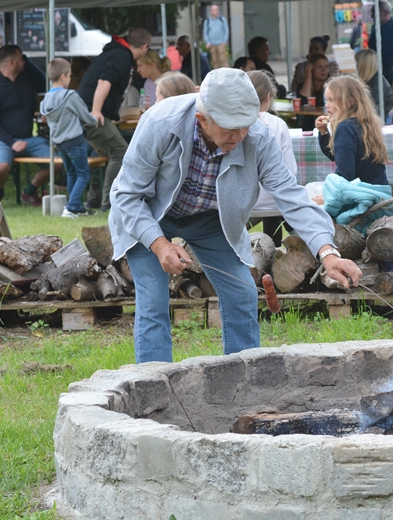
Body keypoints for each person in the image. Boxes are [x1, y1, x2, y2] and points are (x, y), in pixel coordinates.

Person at [109, 68, 362, 363]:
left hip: (210, 219)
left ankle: (246, 386)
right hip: (149, 214)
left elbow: (291, 196)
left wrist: (327, 252)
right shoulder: (160, 122)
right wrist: (159, 244)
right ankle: (154, 392)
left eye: (246, 126)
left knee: (242, 293)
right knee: (153, 301)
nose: (241, 136)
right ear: (202, 120)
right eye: (231, 129)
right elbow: (126, 195)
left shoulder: (257, 136)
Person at [77, 28, 151, 213]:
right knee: (121, 153)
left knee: (102, 154)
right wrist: (96, 110)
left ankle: (93, 200)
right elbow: (104, 81)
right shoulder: (121, 56)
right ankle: (108, 203)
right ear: (145, 47)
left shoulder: (114, 52)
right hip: (91, 112)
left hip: (87, 110)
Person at [0, 45, 49, 205]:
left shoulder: (27, 85)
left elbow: (33, 110)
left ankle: (29, 192)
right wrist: (12, 142)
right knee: (0, 167)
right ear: (12, 62)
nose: (24, 62)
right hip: (1, 140)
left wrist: (42, 115)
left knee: (57, 162)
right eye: (21, 59)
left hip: (27, 139)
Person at [40, 58, 98, 218]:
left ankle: (77, 207)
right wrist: (95, 119)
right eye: (70, 75)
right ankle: (72, 207)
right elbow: (86, 117)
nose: (71, 79)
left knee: (72, 173)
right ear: (64, 77)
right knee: (83, 174)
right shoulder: (70, 96)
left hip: (59, 143)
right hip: (74, 140)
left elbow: (45, 116)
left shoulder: (45, 99)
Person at [248, 70, 298, 247]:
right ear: (269, 97)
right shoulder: (277, 124)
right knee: (279, 197)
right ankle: (274, 251)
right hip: (273, 200)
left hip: (244, 202)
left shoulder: (233, 123)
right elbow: (290, 171)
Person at [315, 75, 388, 186]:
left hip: (361, 195)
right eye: (326, 100)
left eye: (331, 100)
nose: (327, 105)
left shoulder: (345, 128)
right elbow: (336, 155)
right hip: (378, 190)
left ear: (349, 102)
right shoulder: (365, 123)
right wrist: (324, 133)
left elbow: (345, 174)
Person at [367, 1, 393, 86]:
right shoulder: (376, 28)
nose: (372, 15)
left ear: (385, 13)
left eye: (375, 12)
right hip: (375, 70)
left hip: (390, 73)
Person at [355, 49, 393, 118]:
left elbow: (372, 110)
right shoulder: (372, 81)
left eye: (357, 63)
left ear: (363, 66)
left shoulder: (378, 85)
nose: (356, 67)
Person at [296, 53, 330, 131]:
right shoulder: (302, 86)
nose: (323, 70)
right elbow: (304, 102)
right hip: (309, 125)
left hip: (328, 122)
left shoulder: (332, 87)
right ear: (311, 69)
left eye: (326, 67)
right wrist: (308, 77)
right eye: (319, 67)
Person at [203, 4, 229, 70]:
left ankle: (227, 74)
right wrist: (208, 42)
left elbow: (226, 31)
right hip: (212, 44)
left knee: (223, 60)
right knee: (214, 61)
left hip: (221, 43)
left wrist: (224, 41)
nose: (217, 11)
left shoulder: (222, 20)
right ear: (211, 11)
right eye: (215, 10)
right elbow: (205, 33)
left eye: (217, 10)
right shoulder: (207, 21)